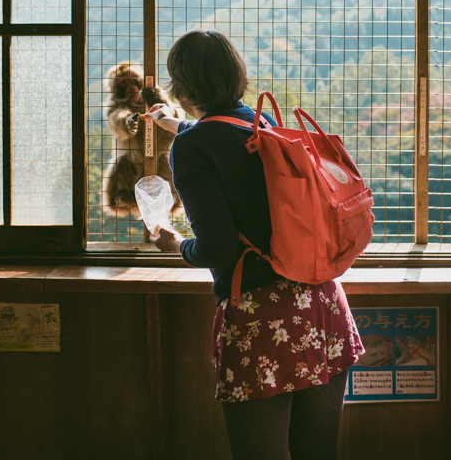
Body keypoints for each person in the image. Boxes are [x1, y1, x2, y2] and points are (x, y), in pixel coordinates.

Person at [144, 29, 365, 460]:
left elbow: (218, 249)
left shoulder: (191, 148)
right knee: (318, 453)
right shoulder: (259, 119)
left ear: (183, 86)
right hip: (321, 306)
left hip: (263, 320)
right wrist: (174, 124)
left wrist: (176, 245)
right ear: (236, 74)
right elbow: (226, 142)